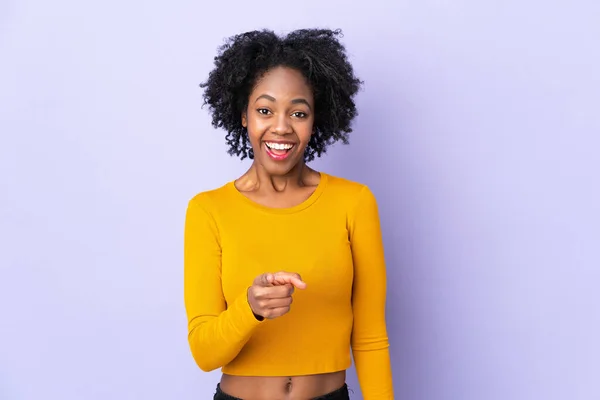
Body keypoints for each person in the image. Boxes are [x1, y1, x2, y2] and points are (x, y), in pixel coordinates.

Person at [184, 28, 394, 399]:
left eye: (298, 112)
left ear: (315, 121)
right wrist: (249, 308)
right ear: (244, 116)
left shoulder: (354, 202)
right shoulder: (208, 210)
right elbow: (204, 352)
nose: (281, 127)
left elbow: (370, 337)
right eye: (265, 110)